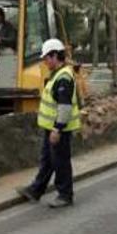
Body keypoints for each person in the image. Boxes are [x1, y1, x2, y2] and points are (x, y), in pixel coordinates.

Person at [16, 38, 81, 208]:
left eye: (46, 58)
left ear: (54, 56)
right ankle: (36, 190)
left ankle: (65, 195)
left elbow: (65, 107)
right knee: (48, 160)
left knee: (60, 161)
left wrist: (57, 129)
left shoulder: (63, 78)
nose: (45, 62)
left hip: (59, 129)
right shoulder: (56, 75)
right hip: (50, 127)